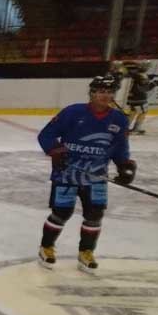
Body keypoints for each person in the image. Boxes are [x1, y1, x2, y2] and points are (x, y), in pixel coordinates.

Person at [36, 76, 136, 273]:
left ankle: (86, 252)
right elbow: (46, 135)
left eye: (109, 92)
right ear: (92, 93)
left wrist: (124, 165)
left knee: (95, 214)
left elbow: (120, 146)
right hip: (66, 174)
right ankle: (46, 247)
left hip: (96, 176)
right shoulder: (73, 112)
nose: (105, 95)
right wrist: (56, 151)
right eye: (101, 91)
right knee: (61, 212)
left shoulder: (118, 119)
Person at [125, 63, 158, 136]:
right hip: (139, 99)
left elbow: (141, 82)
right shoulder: (140, 76)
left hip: (131, 98)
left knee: (133, 112)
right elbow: (143, 88)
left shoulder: (134, 75)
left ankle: (124, 127)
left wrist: (148, 78)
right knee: (143, 112)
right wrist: (153, 84)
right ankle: (136, 128)